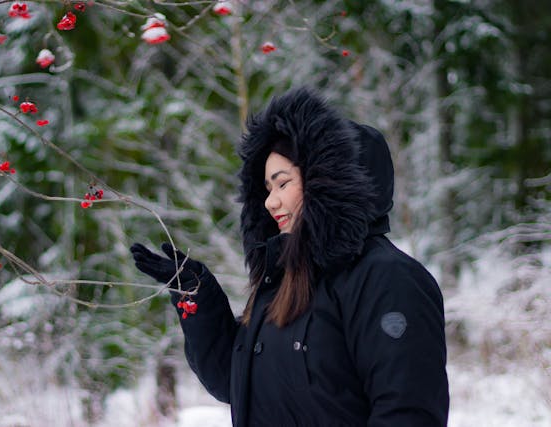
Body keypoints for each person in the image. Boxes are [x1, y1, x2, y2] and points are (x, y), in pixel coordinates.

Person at [130, 87, 449, 426]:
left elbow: (408, 412)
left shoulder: (387, 278)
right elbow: (237, 384)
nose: (270, 202)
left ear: (328, 183)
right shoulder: (284, 281)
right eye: (267, 189)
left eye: (282, 184)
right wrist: (198, 297)